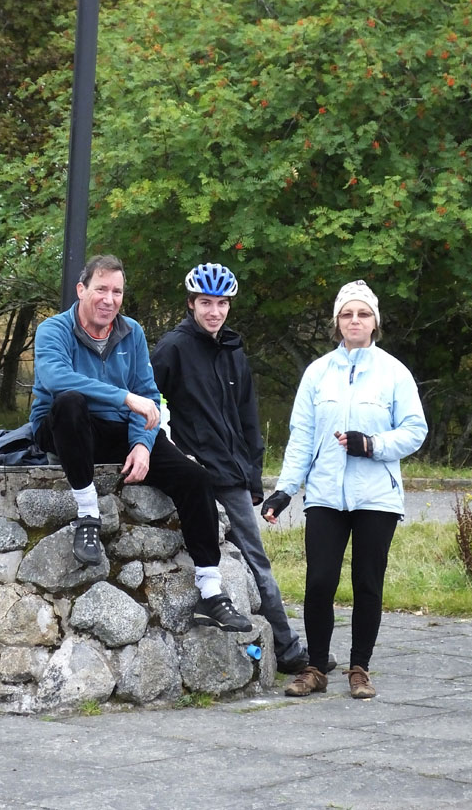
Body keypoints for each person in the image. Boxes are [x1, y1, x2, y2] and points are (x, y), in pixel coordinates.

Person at [31, 253, 251, 633]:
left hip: (118, 429)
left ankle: (211, 591)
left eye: (117, 291)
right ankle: (88, 514)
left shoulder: (131, 332)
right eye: (101, 289)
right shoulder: (53, 329)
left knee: (195, 478)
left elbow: (148, 395)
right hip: (64, 426)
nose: (109, 299)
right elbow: (57, 379)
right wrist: (123, 398)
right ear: (82, 290)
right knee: (70, 402)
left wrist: (142, 445)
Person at [262, 279, 428, 699]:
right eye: (347, 314)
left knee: (367, 583)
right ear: (337, 322)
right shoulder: (318, 373)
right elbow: (302, 436)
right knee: (319, 582)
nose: (355, 320)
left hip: (377, 496)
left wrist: (372, 445)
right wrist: (285, 490)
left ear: (375, 322)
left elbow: (415, 431)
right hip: (325, 494)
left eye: (363, 313)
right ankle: (315, 667)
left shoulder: (394, 372)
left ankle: (359, 669)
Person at [151, 263, 319, 675]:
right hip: (193, 466)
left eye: (221, 303)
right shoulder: (171, 348)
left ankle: (287, 647)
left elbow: (247, 416)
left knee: (255, 559)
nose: (214, 311)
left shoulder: (233, 350)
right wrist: (173, 452)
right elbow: (149, 403)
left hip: (232, 472)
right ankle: (288, 646)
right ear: (191, 304)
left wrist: (253, 474)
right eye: (205, 303)